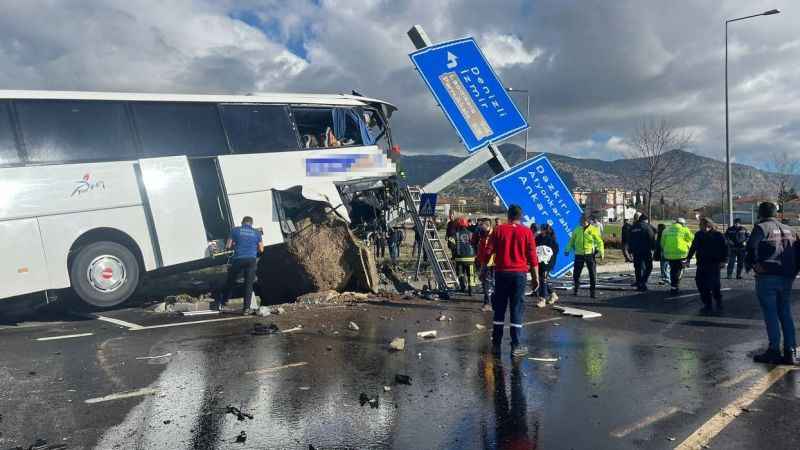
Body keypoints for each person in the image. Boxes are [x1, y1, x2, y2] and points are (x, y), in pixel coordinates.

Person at [746, 202, 800, 365]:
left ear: (760, 214)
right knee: (785, 312)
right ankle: (791, 352)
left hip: (768, 275)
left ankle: (774, 351)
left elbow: (750, 247)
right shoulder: (791, 230)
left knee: (770, 313)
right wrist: (795, 270)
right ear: (776, 213)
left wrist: (754, 264)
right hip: (787, 277)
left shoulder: (762, 227)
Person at [487, 204, 539, 357]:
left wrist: (484, 269)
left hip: (501, 273)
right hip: (519, 275)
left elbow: (488, 251)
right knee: (516, 308)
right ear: (520, 217)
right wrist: (536, 278)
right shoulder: (527, 232)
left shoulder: (499, 230)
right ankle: (516, 345)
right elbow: (533, 258)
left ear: (508, 215)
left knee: (500, 308)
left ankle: (496, 344)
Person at [216, 216, 264, 315]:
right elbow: (261, 249)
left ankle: (224, 301)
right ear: (251, 223)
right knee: (248, 284)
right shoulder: (257, 233)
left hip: (238, 259)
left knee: (231, 280)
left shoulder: (235, 230)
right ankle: (246, 309)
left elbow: (228, 246)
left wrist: (235, 244)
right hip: (251, 259)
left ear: (242, 222)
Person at [686, 218, 728, 312]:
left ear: (708, 226)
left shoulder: (718, 235)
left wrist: (724, 261)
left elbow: (725, 248)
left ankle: (718, 301)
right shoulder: (698, 234)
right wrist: (688, 258)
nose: (701, 227)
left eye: (702, 225)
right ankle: (707, 303)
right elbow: (693, 247)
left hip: (714, 263)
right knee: (700, 283)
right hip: (701, 263)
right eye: (700, 225)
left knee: (714, 284)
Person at [565, 215, 604, 298]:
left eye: (582, 221)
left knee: (592, 273)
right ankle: (576, 288)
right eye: (580, 221)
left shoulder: (593, 229)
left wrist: (601, 252)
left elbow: (599, 242)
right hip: (579, 254)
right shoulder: (577, 230)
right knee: (576, 273)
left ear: (587, 221)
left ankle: (592, 292)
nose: (581, 223)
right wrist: (567, 250)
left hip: (589, 254)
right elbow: (571, 241)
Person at [660, 218, 694, 295]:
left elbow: (662, 243)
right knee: (679, 271)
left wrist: (665, 250)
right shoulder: (684, 229)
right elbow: (692, 238)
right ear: (683, 224)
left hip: (669, 254)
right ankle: (675, 286)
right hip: (681, 254)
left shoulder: (666, 230)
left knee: (673, 270)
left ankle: (673, 286)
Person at [628, 214, 657, 291]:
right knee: (649, 267)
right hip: (645, 250)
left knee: (637, 268)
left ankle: (638, 283)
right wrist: (653, 248)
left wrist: (630, 251)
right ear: (645, 220)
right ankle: (643, 282)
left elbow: (629, 239)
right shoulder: (647, 227)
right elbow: (651, 237)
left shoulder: (632, 227)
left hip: (635, 251)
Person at [535, 223, 559, 307]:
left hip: (547, 263)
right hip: (539, 262)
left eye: (542, 229)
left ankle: (542, 299)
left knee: (543, 279)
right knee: (542, 279)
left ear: (545, 230)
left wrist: (548, 258)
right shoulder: (537, 238)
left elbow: (555, 251)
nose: (540, 231)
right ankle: (553, 294)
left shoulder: (551, 240)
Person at [451, 218, 476, 295]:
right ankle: (471, 289)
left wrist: (454, 255)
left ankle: (462, 287)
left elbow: (451, 245)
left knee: (460, 273)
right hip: (471, 258)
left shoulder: (455, 234)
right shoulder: (472, 234)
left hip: (459, 258)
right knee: (471, 274)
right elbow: (476, 244)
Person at [474, 219, 495, 312]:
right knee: (485, 282)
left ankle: (489, 303)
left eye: (482, 225)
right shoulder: (482, 234)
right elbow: (475, 243)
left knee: (489, 282)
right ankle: (488, 303)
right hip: (483, 261)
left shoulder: (493, 235)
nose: (480, 227)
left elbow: (489, 251)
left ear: (487, 226)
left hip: (492, 263)